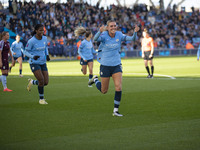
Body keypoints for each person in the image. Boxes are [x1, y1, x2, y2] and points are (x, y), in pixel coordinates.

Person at [89, 20, 140, 117]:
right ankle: (95, 79)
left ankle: (115, 111)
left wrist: (135, 32)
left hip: (116, 64)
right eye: (111, 26)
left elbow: (132, 39)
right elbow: (95, 39)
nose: (113, 28)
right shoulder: (103, 35)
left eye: (115, 26)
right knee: (104, 91)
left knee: (118, 87)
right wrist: (99, 31)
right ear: (107, 27)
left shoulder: (119, 35)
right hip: (105, 65)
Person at [23, 24, 50, 104]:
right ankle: (41, 99)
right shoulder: (31, 41)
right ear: (36, 31)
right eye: (40, 30)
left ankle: (32, 82)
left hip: (43, 62)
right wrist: (32, 56)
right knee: (41, 80)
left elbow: (45, 48)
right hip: (34, 63)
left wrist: (47, 55)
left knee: (45, 82)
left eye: (43, 30)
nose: (42, 32)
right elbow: (25, 51)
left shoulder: (45, 38)